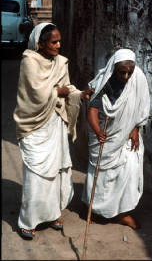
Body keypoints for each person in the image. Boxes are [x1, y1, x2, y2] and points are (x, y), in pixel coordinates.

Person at [13, 22, 94, 239]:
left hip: (54, 122)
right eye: (54, 42)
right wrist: (60, 91)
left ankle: (52, 214)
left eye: (59, 41)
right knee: (36, 174)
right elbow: (37, 95)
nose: (58, 45)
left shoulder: (60, 62)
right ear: (40, 44)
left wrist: (80, 94)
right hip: (34, 125)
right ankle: (28, 221)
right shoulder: (29, 61)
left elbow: (68, 88)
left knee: (57, 170)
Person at [81, 48, 150, 229]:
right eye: (122, 72)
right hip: (106, 133)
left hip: (127, 133)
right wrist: (98, 131)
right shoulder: (105, 80)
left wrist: (135, 128)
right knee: (101, 175)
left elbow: (141, 107)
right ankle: (95, 210)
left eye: (130, 72)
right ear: (114, 68)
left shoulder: (139, 79)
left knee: (129, 170)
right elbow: (92, 110)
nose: (126, 76)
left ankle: (122, 214)